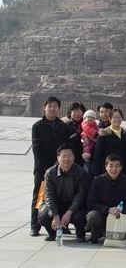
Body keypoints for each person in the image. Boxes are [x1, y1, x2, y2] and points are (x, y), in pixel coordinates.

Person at [30, 96, 71, 237]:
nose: (53, 109)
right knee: (40, 196)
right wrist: (49, 166)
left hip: (61, 168)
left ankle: (63, 225)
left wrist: (60, 163)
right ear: (44, 107)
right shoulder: (37, 126)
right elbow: (37, 149)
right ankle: (35, 225)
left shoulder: (62, 126)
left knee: (60, 196)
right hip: (42, 169)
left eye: (55, 106)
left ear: (59, 109)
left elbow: (67, 146)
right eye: (50, 106)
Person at [86, 153, 126, 244]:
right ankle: (96, 235)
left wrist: (120, 211)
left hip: (120, 215)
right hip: (102, 215)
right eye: (111, 166)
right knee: (92, 216)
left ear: (121, 167)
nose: (114, 169)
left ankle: (121, 233)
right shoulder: (97, 181)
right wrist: (107, 209)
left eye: (117, 166)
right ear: (106, 166)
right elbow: (90, 202)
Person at [38, 143, 88, 242]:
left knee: (80, 217)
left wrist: (70, 212)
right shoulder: (50, 173)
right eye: (64, 156)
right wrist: (55, 215)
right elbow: (49, 195)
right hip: (56, 205)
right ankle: (52, 233)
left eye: (69, 155)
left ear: (74, 157)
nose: (67, 159)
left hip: (74, 207)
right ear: (58, 157)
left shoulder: (81, 172)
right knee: (43, 216)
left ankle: (80, 233)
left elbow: (81, 195)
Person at [94, 109, 126, 177]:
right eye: (114, 117)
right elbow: (98, 156)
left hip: (123, 171)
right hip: (107, 172)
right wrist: (97, 174)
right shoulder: (103, 135)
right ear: (110, 119)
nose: (117, 119)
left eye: (119, 117)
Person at [62, 101, 86, 166]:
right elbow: (65, 140)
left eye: (79, 111)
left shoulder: (87, 125)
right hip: (70, 158)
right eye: (74, 111)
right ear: (70, 113)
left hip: (85, 157)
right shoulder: (65, 125)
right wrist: (78, 134)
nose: (77, 114)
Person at [81, 110, 98, 174]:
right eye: (88, 117)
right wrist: (95, 133)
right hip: (86, 138)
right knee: (87, 146)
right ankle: (86, 155)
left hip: (93, 144)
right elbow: (88, 131)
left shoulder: (96, 125)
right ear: (85, 118)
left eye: (92, 117)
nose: (90, 119)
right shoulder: (84, 124)